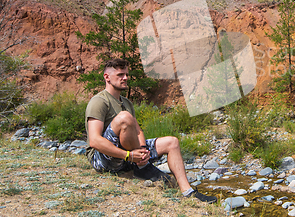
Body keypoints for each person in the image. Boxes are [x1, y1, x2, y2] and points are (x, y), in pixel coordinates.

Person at [85, 58, 217, 203]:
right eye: (120, 75)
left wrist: (142, 149)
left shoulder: (127, 103)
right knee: (124, 117)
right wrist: (128, 155)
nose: (125, 78)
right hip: (102, 159)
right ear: (107, 77)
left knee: (172, 142)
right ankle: (143, 167)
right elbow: (94, 140)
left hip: (130, 155)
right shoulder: (99, 101)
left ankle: (188, 191)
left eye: (127, 75)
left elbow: (138, 131)